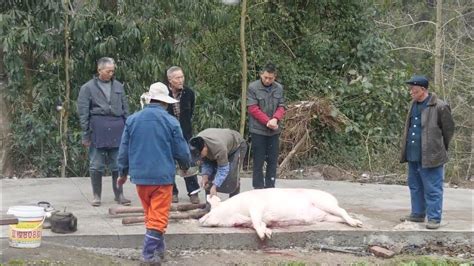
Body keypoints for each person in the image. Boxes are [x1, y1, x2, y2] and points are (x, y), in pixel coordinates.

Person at [117, 82, 191, 263]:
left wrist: (123, 172)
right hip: (162, 178)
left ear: (150, 99)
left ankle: (160, 251)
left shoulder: (132, 120)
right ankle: (147, 254)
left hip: (140, 178)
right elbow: (181, 150)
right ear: (165, 102)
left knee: (151, 215)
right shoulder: (171, 121)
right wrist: (185, 164)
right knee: (158, 217)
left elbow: (124, 149)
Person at [399, 75, 455, 230]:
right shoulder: (413, 104)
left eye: (414, 90)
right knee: (415, 185)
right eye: (411, 89)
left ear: (423, 89)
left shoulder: (440, 106)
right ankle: (417, 214)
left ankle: (434, 218)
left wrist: (438, 148)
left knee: (432, 188)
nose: (411, 92)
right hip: (413, 154)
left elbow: (448, 131)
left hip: (431, 155)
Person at [77, 57, 130, 207]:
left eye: (113, 71)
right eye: (108, 71)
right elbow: (83, 113)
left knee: (118, 164)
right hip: (98, 129)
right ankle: (97, 196)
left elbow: (125, 109)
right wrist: (85, 134)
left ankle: (119, 195)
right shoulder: (87, 88)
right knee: (96, 164)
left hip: (117, 128)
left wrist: (129, 128)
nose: (111, 74)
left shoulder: (119, 86)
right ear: (99, 70)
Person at [247, 63, 286, 189]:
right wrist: (267, 121)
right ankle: (258, 188)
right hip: (258, 130)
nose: (268, 80)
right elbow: (253, 108)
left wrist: (275, 119)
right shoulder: (253, 87)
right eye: (265, 77)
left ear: (275, 77)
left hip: (274, 131)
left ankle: (270, 187)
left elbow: (282, 106)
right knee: (258, 161)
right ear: (261, 75)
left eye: (271, 78)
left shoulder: (279, 88)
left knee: (272, 161)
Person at [165, 66, 200, 204]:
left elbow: (190, 112)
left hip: (184, 133)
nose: (181, 80)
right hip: (167, 134)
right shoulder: (164, 94)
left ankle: (193, 192)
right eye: (177, 78)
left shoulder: (189, 93)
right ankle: (172, 192)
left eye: (182, 77)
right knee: (168, 164)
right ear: (170, 79)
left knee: (188, 161)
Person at [189, 128, 247, 198]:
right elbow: (206, 162)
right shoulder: (196, 142)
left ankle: (233, 204)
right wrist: (205, 176)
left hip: (236, 146)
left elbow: (223, 169)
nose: (200, 157)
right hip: (221, 145)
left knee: (232, 178)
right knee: (209, 179)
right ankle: (210, 205)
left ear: (205, 147)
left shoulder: (219, 148)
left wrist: (215, 186)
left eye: (200, 155)